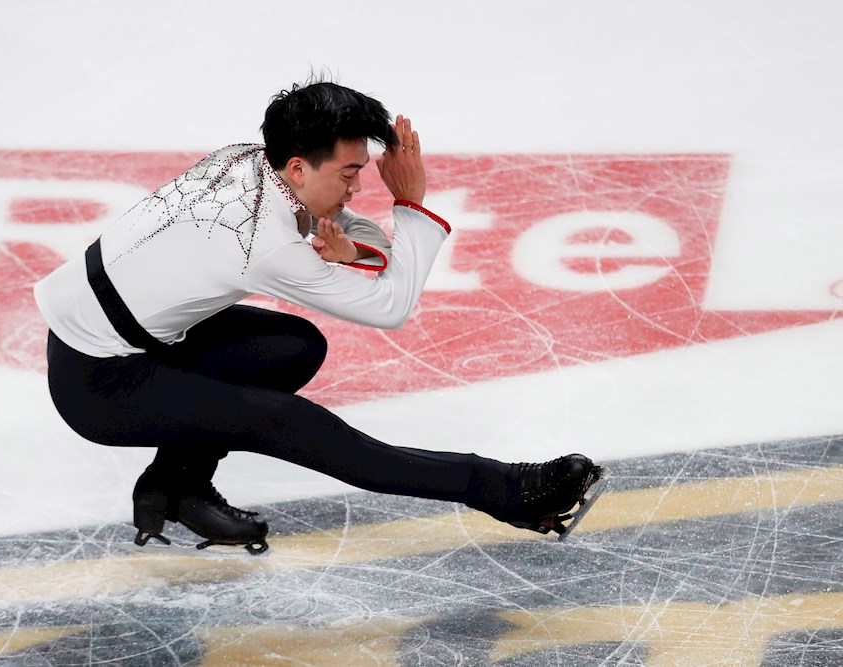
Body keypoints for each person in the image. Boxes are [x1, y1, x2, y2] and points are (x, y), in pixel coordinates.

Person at [34, 79, 604, 554]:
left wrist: (357, 249)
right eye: (350, 173)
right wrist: (411, 203)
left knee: (292, 347)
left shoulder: (246, 163)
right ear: (301, 167)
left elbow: (334, 225)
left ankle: (175, 487)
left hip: (120, 335)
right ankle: (508, 491)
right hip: (101, 385)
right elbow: (390, 306)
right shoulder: (264, 244)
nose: (357, 187)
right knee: (292, 424)